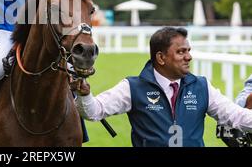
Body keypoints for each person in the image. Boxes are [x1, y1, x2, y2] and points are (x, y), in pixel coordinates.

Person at [73, 27, 252, 147]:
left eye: (189, 50)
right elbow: (93, 112)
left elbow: (235, 115)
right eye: (181, 52)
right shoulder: (132, 87)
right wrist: (85, 95)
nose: (188, 57)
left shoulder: (202, 86)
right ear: (161, 58)